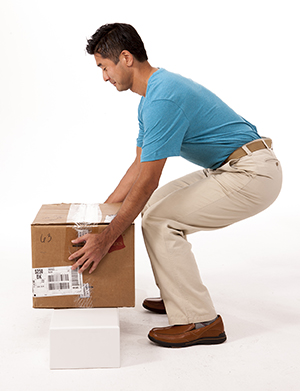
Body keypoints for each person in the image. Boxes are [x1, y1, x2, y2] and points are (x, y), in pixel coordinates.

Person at [69, 23, 282, 348]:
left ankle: (200, 320)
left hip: (253, 174)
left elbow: (148, 182)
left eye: (104, 67)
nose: (104, 77)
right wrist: (102, 215)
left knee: (158, 218)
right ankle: (176, 295)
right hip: (230, 168)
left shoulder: (163, 99)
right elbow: (139, 166)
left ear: (125, 58)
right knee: (153, 211)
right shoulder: (151, 97)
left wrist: (106, 238)